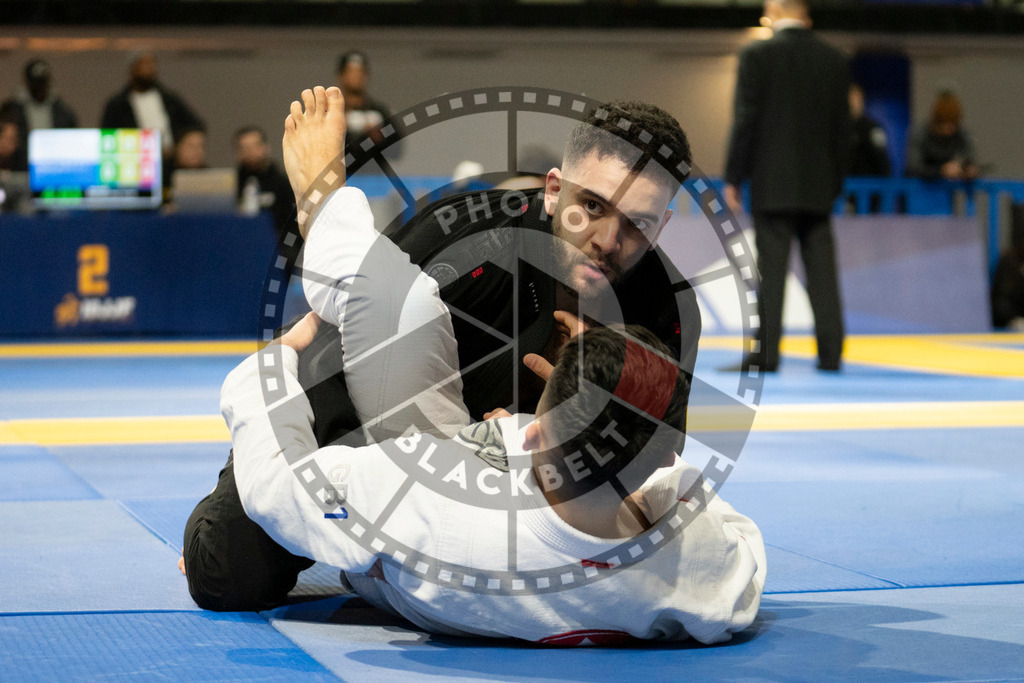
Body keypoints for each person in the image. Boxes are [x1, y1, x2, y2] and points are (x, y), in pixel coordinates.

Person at [218, 85, 765, 643]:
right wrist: (273, 413)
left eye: (638, 224)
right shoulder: (467, 238)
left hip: (537, 490)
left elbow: (654, 462)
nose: (607, 239)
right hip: (388, 420)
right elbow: (351, 335)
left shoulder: (666, 312)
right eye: (592, 206)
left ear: (663, 226)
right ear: (554, 190)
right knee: (231, 572)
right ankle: (324, 199)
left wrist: (557, 428)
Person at [723, 0, 849, 372]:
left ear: (774, 10)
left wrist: (734, 177)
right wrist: (835, 180)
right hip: (818, 184)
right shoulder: (834, 59)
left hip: (772, 182)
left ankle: (768, 354)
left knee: (772, 272)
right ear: (806, 13)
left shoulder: (757, 54)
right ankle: (831, 353)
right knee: (823, 272)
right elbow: (843, 131)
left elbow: (745, 119)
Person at [100, 52, 205, 157]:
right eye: (143, 64)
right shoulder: (117, 104)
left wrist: (179, 145)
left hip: (170, 159)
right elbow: (107, 137)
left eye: (151, 64)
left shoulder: (169, 99)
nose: (149, 69)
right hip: (135, 160)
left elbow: (195, 124)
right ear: (133, 68)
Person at [0, 59, 79, 161]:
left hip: (54, 164)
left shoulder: (62, 111)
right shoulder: (12, 109)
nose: (39, 89)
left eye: (42, 84)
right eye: (35, 85)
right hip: (21, 168)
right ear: (26, 82)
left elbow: (74, 141)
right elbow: (5, 146)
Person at [234, 125, 295, 239]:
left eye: (254, 146)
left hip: (276, 244)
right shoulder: (233, 183)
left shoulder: (282, 182)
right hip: (241, 240)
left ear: (265, 147)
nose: (250, 152)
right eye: (245, 148)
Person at [336, 51, 401, 156]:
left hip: (373, 170)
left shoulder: (379, 111)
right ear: (341, 76)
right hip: (342, 171)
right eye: (351, 71)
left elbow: (397, 151)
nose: (357, 76)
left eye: (361, 72)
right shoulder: (333, 112)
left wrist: (380, 138)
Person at [906, 90, 979, 181]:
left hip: (948, 191)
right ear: (935, 121)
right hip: (919, 189)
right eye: (943, 124)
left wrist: (969, 169)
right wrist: (941, 170)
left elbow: (971, 158)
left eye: (952, 125)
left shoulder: (961, 135)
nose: (947, 129)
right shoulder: (920, 133)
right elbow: (913, 167)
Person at [848, 83, 890, 178]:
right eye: (849, 99)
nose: (852, 103)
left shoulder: (873, 128)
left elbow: (882, 161)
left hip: (870, 188)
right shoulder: (841, 130)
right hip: (847, 186)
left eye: (855, 99)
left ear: (861, 99)